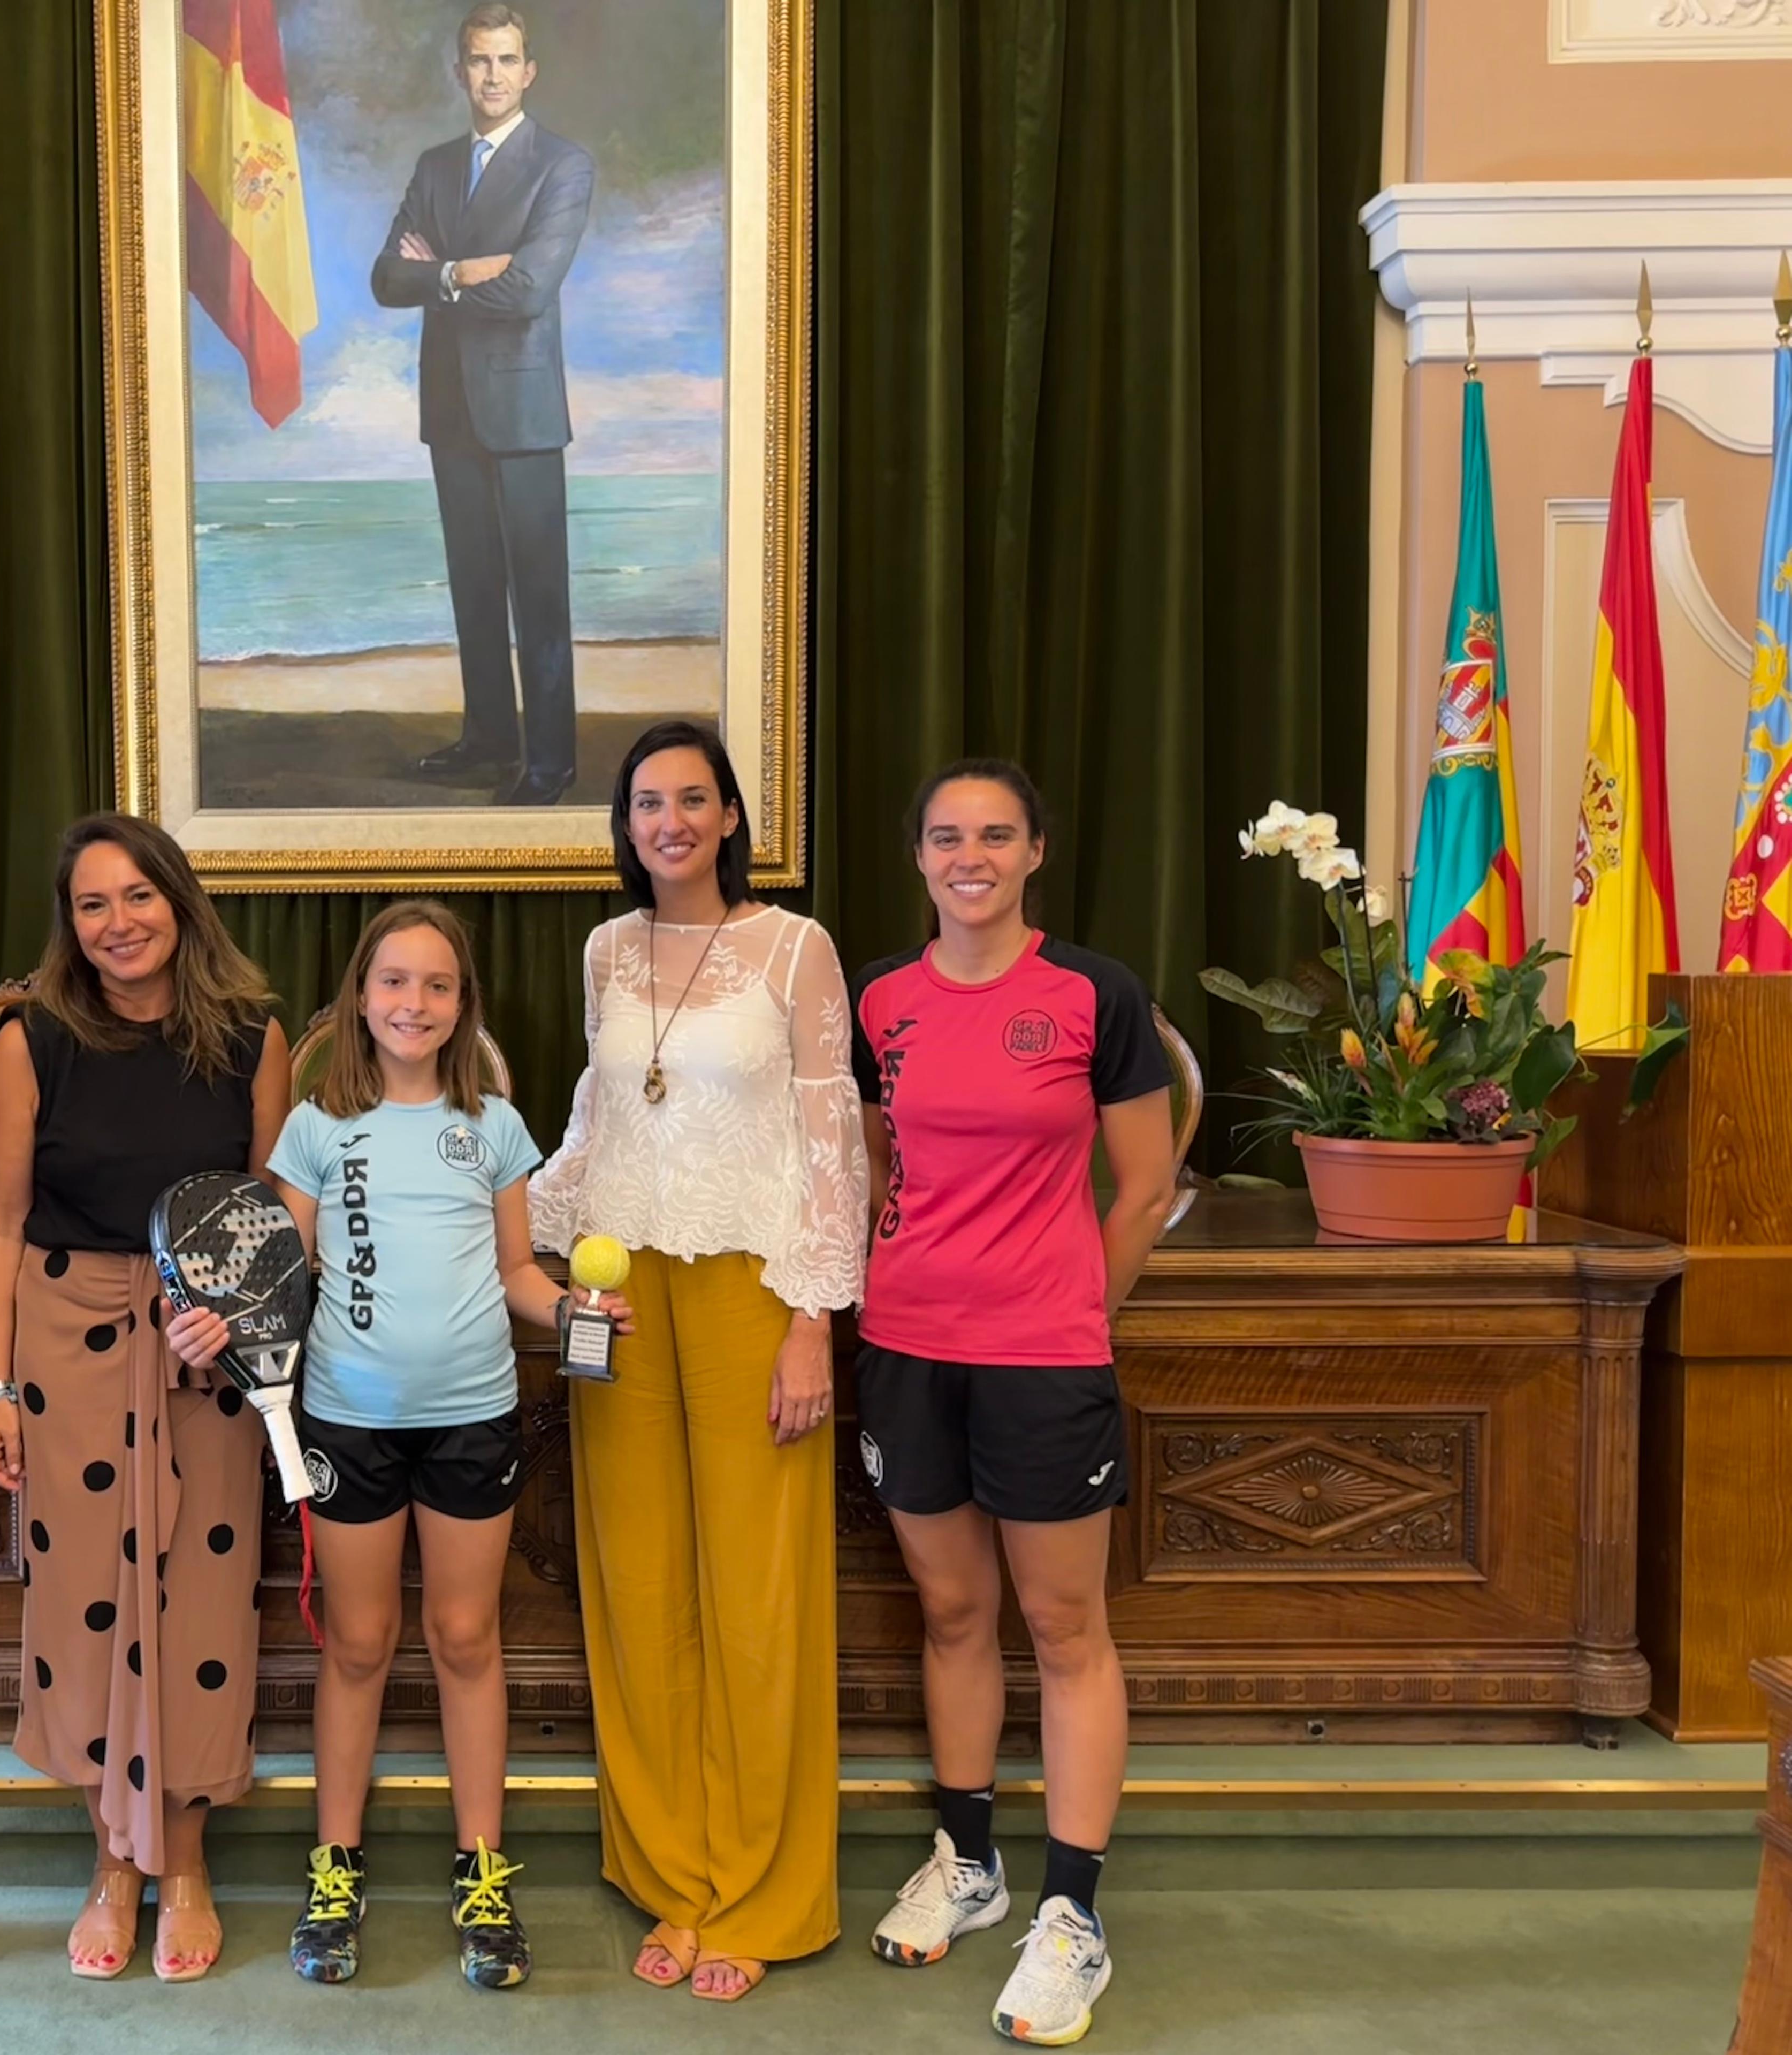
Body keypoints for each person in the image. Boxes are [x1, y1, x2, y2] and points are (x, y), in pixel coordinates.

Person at [527, 720, 870, 2002]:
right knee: (638, 1586)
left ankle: (762, 1894)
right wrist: (516, 1226)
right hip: (617, 1292)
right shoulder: (608, 948)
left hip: (751, 1288)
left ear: (730, 816)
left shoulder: (796, 946)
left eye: (692, 799)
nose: (667, 821)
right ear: (623, 828)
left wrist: (810, 1317)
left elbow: (834, 1138)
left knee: (758, 1594)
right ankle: (672, 1881)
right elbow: (598, 1116)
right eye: (644, 803)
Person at [240, 900, 624, 1992]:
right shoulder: (315, 1129)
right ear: (361, 998)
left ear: (464, 1006)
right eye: (395, 982)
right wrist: (222, 1318)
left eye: (438, 986)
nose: (415, 1003)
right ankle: (335, 1869)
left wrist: (579, 1316)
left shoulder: (493, 1124)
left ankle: (483, 1870)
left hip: (472, 1416)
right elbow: (284, 1276)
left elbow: (516, 1276)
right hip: (346, 1422)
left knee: (465, 1640)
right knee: (357, 1647)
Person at [850, 759, 1175, 2048]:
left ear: (1035, 850)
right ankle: (970, 1864)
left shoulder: (1094, 992)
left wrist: (1075, 1313)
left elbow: (1143, 1183)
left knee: (1062, 1622)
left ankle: (1071, 1918)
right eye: (944, 836)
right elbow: (878, 1166)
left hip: (1046, 1355)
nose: (967, 855)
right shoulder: (881, 1000)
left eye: (994, 834)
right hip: (906, 1344)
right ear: (919, 857)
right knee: (951, 1609)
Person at [0, 813, 291, 1984]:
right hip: (67, 1335)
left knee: (202, 1596)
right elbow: (1, 1220)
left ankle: (187, 1859)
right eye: (93, 905)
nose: (119, 924)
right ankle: (113, 1859)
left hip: (204, 1343)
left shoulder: (253, 1037)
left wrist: (234, 1318)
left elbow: (269, 1214)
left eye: (138, 898)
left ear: (180, 902)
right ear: (71, 924)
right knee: (91, 1597)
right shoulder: (32, 1041)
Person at [370, 3, 596, 808]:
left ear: (527, 72)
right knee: (473, 585)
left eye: (506, 60)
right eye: (478, 60)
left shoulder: (562, 165)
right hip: (451, 411)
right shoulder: (435, 167)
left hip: (525, 415)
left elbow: (531, 291)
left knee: (538, 593)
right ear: (460, 70)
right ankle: (489, 740)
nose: (492, 75)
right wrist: (464, 271)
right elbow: (385, 279)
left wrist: (439, 273)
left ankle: (550, 762)